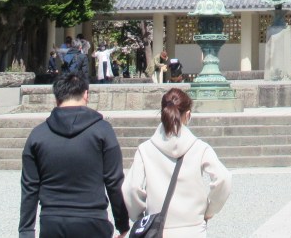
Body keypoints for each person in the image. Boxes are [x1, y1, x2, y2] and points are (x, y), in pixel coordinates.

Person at [19, 68, 131, 238]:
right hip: (93, 220)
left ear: (56, 97)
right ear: (86, 94)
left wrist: (26, 232)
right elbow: (114, 180)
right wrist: (122, 224)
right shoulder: (102, 131)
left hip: (52, 221)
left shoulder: (38, 135)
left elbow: (30, 188)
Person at [125, 88, 231, 238]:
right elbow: (223, 178)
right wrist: (209, 210)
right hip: (193, 229)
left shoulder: (145, 149)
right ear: (188, 115)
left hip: (158, 229)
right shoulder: (199, 147)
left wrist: (140, 218)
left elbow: (131, 188)